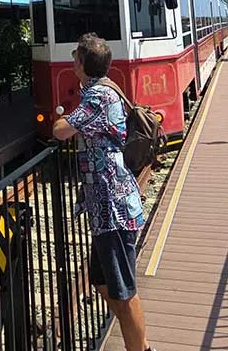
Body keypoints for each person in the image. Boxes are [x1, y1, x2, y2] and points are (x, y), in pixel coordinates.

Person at [51, 33, 153, 351]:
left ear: (82, 63)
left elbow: (60, 130)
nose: (71, 62)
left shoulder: (98, 98)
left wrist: (62, 118)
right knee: (101, 279)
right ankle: (129, 333)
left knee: (124, 290)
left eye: (75, 58)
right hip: (105, 208)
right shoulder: (99, 90)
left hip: (113, 206)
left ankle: (141, 347)